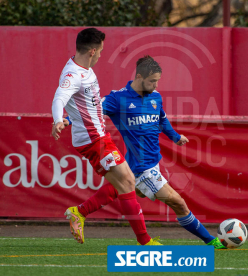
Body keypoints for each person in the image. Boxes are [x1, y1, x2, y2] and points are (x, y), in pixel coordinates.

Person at [64, 55, 226, 249]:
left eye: (157, 81)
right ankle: (211, 241)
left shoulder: (155, 97)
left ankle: (79, 211)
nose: (156, 85)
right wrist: (68, 120)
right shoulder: (118, 98)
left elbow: (162, 120)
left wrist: (175, 137)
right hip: (144, 168)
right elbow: (92, 111)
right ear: (139, 76)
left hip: (146, 163)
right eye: (152, 81)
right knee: (178, 203)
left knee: (118, 189)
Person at [51, 28, 161, 246]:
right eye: (100, 50)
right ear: (92, 51)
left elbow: (87, 103)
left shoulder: (85, 69)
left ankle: (79, 212)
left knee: (126, 180)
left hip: (99, 136)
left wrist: (69, 118)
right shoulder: (73, 75)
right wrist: (57, 119)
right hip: (93, 141)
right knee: (128, 182)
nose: (101, 54)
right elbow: (58, 98)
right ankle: (145, 242)